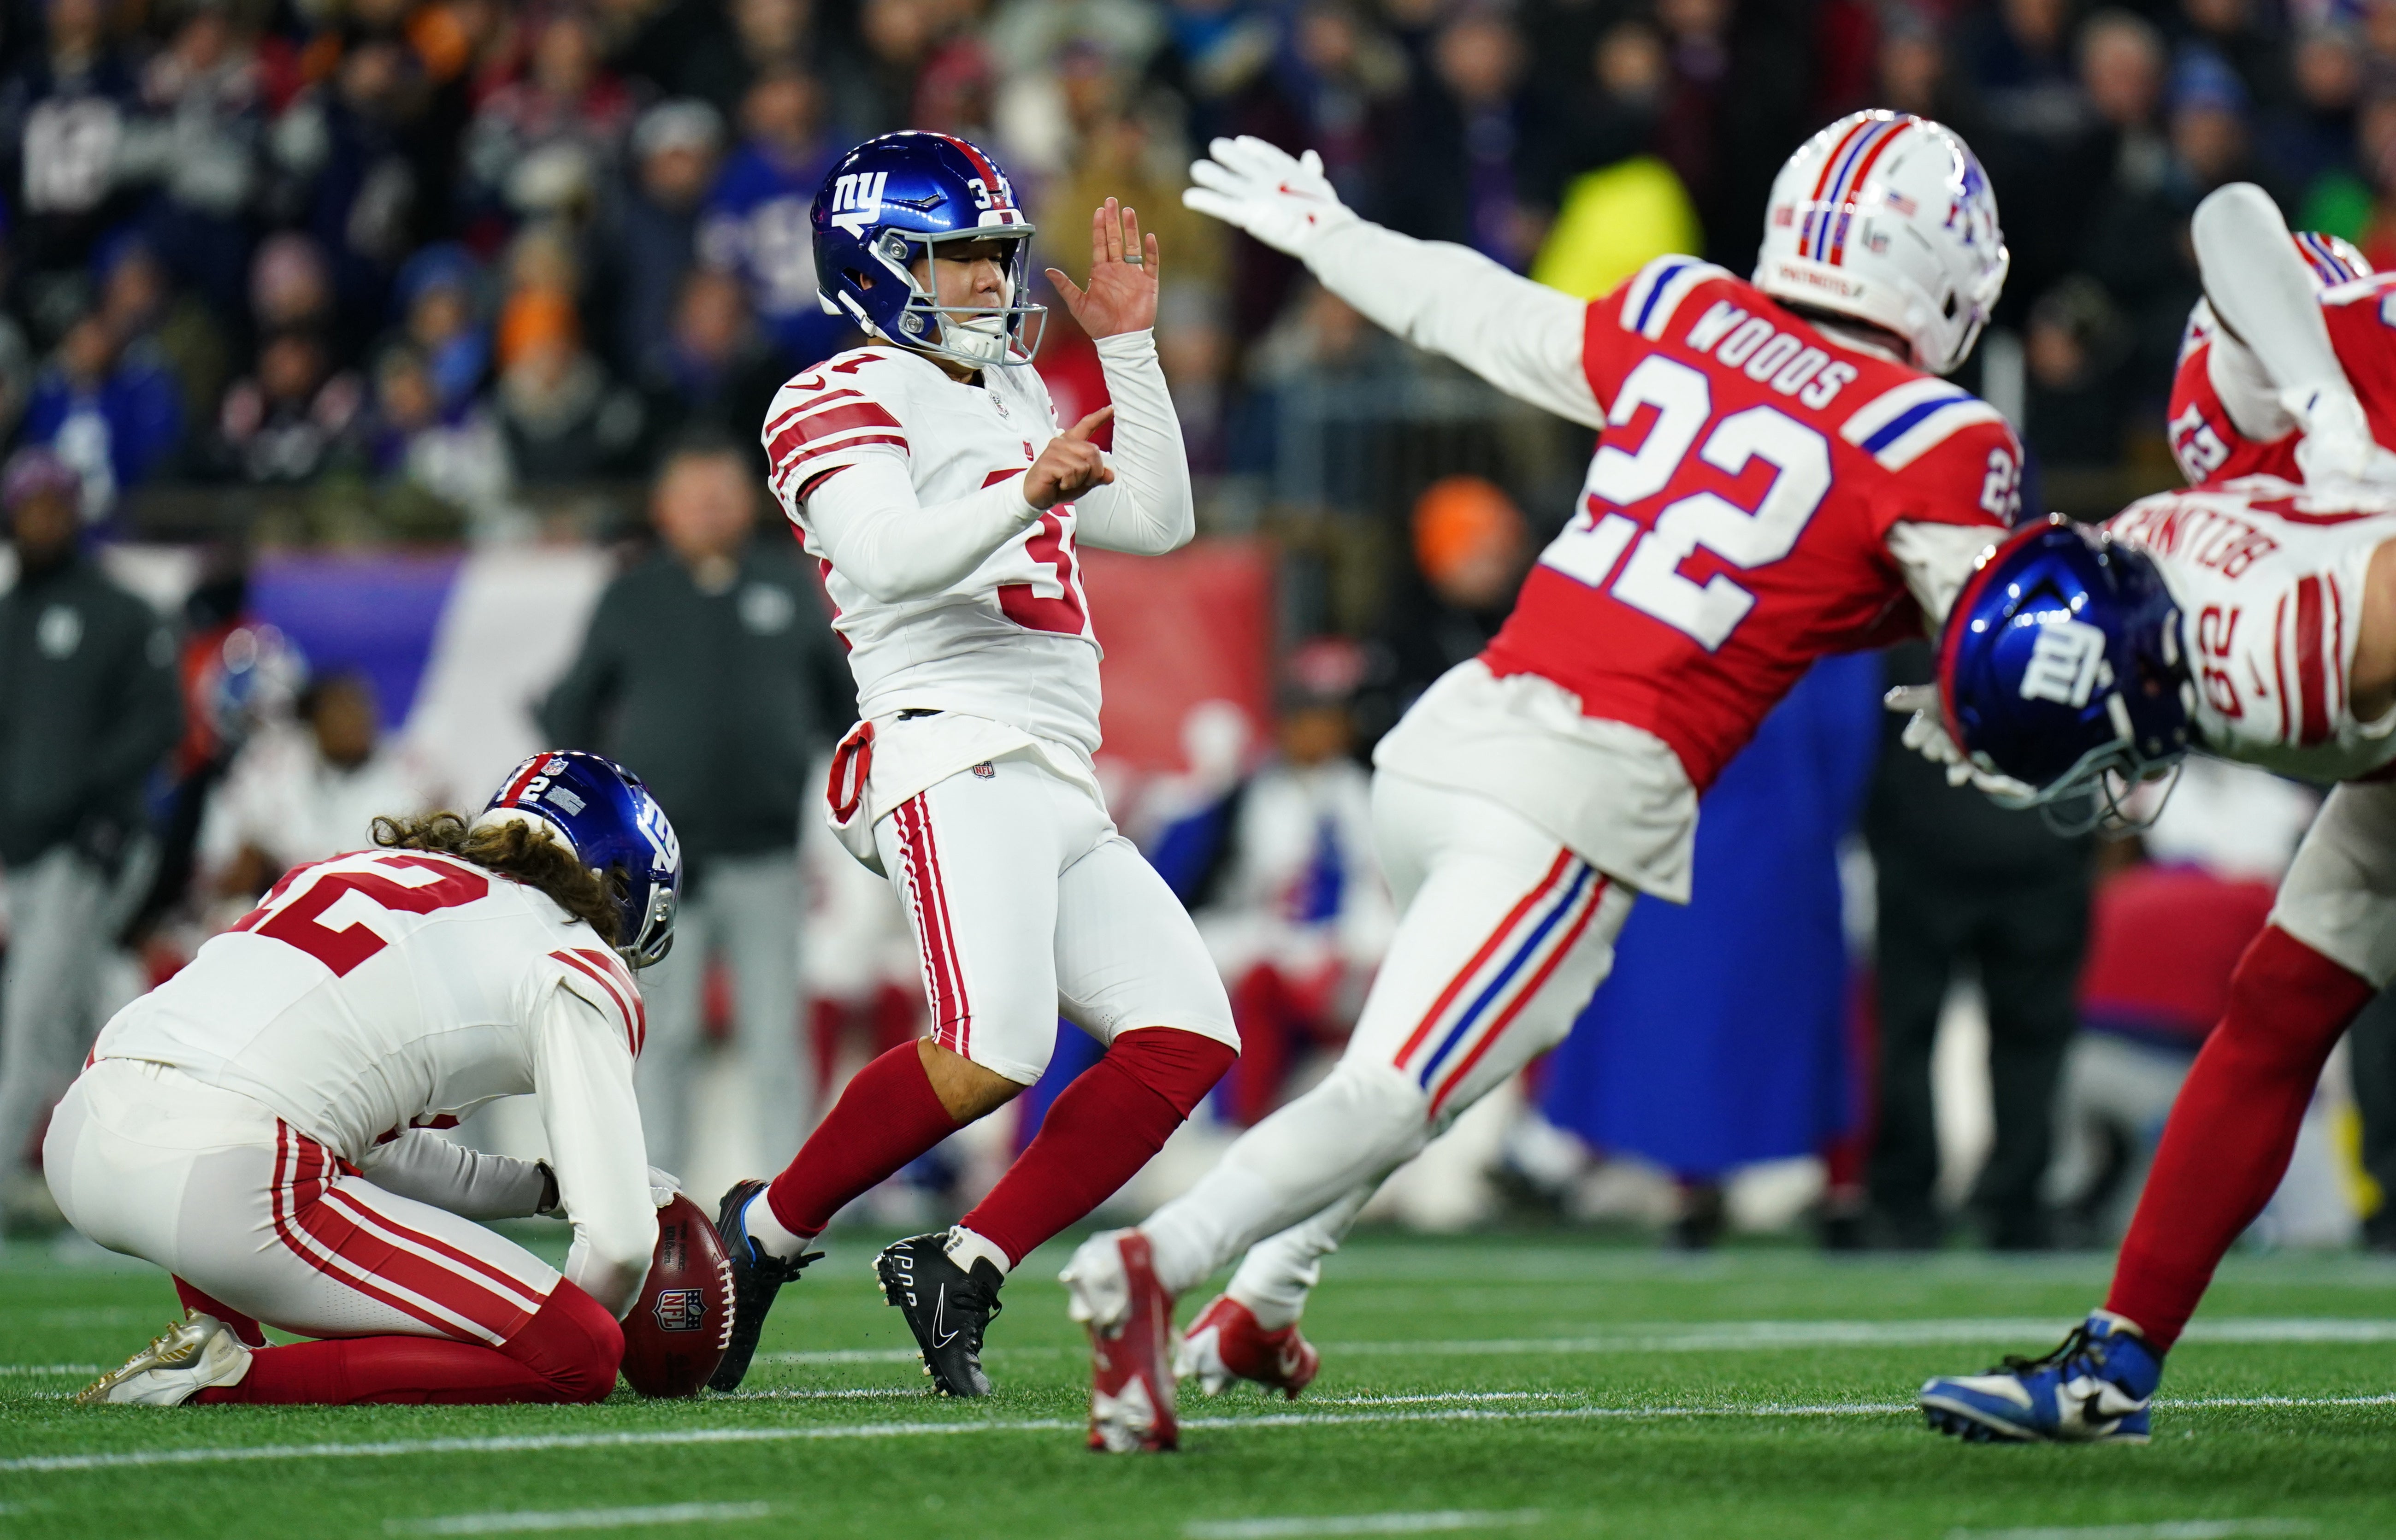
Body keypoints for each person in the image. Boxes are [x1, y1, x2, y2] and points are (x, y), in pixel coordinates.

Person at [1053, 113, 2020, 1452]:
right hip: (1575, 789)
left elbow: (1477, 312)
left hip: (1451, 743)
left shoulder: (1687, 308)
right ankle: (1163, 1257)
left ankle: (1262, 1302)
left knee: (1441, 1053)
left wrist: (1331, 236)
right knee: (1396, 1086)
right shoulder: (1933, 433)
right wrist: (2023, 729)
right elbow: (2009, 642)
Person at [703, 131, 1239, 1402]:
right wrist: (1023, 494)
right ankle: (765, 1232)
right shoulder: (831, 394)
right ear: (877, 266)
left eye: (995, 257)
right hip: (947, 739)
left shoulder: (1009, 394)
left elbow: (1158, 521)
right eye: (955, 260)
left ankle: (966, 1258)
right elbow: (885, 553)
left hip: (1053, 762)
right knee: (992, 1042)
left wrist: (1127, 348)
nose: (988, 283)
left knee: (1183, 1036)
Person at [1912, 181, 2396, 1442]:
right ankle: (2112, 1361)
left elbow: (2234, 214)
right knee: (2281, 1000)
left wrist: (2325, 415)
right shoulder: (2211, 505)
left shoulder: (2282, 632)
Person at [53, 752, 680, 1407]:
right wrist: (557, 1330)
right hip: (227, 1180)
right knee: (581, 1354)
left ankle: (216, 1339)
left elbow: (364, 1148)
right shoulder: (571, 956)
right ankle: (222, 1380)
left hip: (87, 1128)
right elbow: (620, 1246)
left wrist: (542, 1188)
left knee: (280, 1115)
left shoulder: (354, 868)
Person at [540, 433, 852, 1180]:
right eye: (694, 494)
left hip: (766, 856)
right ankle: (651, 1202)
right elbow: (569, 710)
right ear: (664, 508)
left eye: (723, 493)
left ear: (751, 502)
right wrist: (601, 825)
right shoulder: (633, 596)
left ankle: (787, 1213)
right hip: (659, 871)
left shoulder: (787, 584)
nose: (710, 509)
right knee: (662, 1037)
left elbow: (843, 705)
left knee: (776, 1038)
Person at [0, 447, 182, 1230]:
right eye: (29, 504)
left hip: (90, 843)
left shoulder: (118, 611)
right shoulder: (9, 615)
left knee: (34, 1005)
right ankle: (111, 1169)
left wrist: (94, 802)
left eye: (55, 503)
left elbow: (160, 722)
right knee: (74, 1012)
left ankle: (7, 1161)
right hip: (25, 851)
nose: (43, 518)